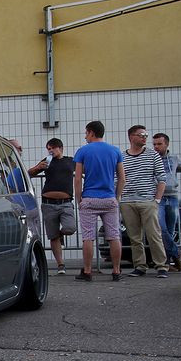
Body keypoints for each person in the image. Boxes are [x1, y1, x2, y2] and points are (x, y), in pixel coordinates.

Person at [73, 121, 125, 282]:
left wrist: (79, 198)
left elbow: (77, 179)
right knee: (114, 236)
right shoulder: (115, 151)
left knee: (88, 236)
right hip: (109, 198)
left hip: (89, 198)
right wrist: (116, 197)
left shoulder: (83, 151)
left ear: (91, 132)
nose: (85, 136)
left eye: (86, 133)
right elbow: (122, 178)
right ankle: (116, 271)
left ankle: (87, 271)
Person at [120, 125, 168, 278]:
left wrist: (157, 200)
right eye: (141, 134)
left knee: (154, 234)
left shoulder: (153, 155)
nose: (144, 137)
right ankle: (140, 266)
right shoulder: (122, 157)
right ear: (131, 137)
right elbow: (118, 178)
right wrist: (119, 198)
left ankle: (161, 265)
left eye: (146, 134)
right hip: (127, 201)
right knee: (134, 237)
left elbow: (161, 178)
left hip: (148, 200)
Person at [28, 138, 76, 275]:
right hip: (48, 202)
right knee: (53, 236)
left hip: (66, 202)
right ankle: (61, 265)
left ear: (60, 148)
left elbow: (83, 171)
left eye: (53, 148)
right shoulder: (46, 161)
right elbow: (29, 173)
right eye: (48, 148)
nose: (50, 150)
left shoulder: (70, 161)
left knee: (70, 228)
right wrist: (38, 167)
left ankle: (61, 234)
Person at [151, 132, 181, 271]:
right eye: (154, 144)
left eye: (159, 144)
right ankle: (176, 253)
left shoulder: (174, 159)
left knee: (170, 231)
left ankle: (168, 263)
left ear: (166, 144)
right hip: (159, 198)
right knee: (161, 228)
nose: (156, 147)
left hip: (173, 197)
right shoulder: (151, 159)